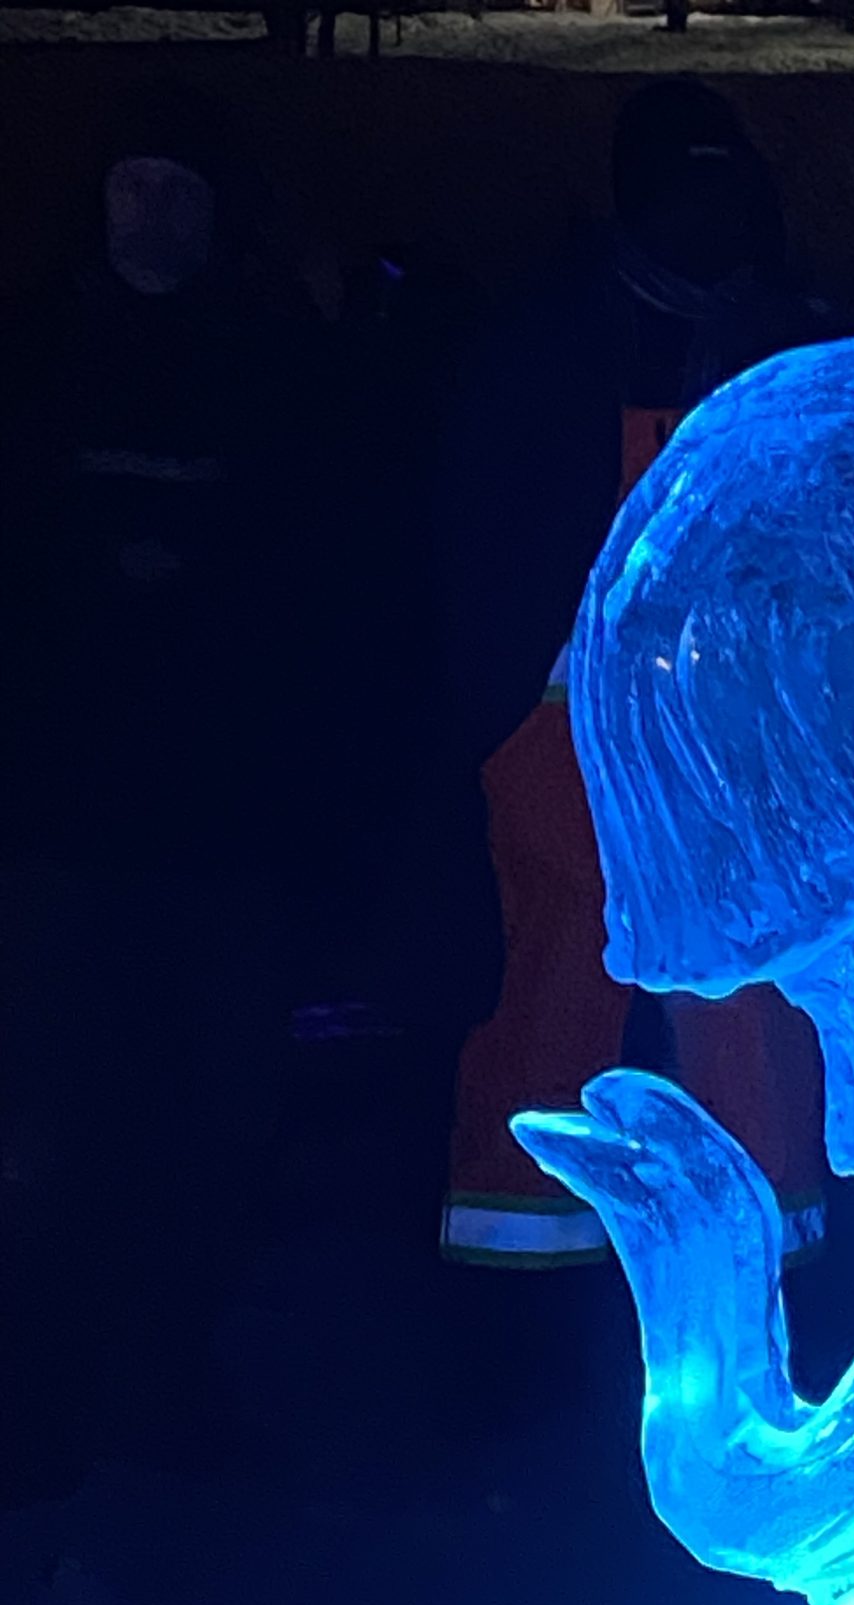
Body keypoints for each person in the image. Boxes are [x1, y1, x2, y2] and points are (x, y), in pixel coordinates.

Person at [416, 82, 831, 1275]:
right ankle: (522, 1252)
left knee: (746, 986)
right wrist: (493, 705)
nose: (707, 215)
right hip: (563, 731)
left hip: (735, 737)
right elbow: (483, 534)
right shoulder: (548, 343)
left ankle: (763, 1251)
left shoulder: (776, 340)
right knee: (556, 981)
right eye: (683, 185)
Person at [0, 86, 321, 1503]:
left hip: (222, 828)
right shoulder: (36, 354)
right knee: (54, 1129)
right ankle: (48, 1411)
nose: (151, 215)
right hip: (60, 828)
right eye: (131, 186)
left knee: (214, 1128)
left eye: (177, 191)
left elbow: (319, 577)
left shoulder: (273, 363)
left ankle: (171, 1401)